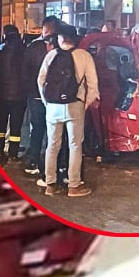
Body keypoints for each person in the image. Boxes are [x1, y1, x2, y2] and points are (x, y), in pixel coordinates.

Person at [37, 26, 98, 198]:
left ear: (60, 39)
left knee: (53, 145)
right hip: (75, 106)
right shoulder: (84, 56)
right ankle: (73, 186)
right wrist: (84, 104)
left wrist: (46, 102)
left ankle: (50, 184)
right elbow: (93, 85)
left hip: (52, 107)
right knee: (75, 146)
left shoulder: (51, 55)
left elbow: (40, 80)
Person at [0, 25, 26, 161]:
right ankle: (13, 152)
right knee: (16, 126)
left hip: (1, 95)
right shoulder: (24, 51)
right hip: (20, 96)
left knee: (0, 125)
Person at [19, 32, 50, 177]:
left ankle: (34, 161)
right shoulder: (59, 52)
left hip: (36, 96)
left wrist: (29, 91)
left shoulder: (32, 48)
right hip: (53, 99)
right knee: (54, 133)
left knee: (36, 130)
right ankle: (52, 165)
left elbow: (24, 72)